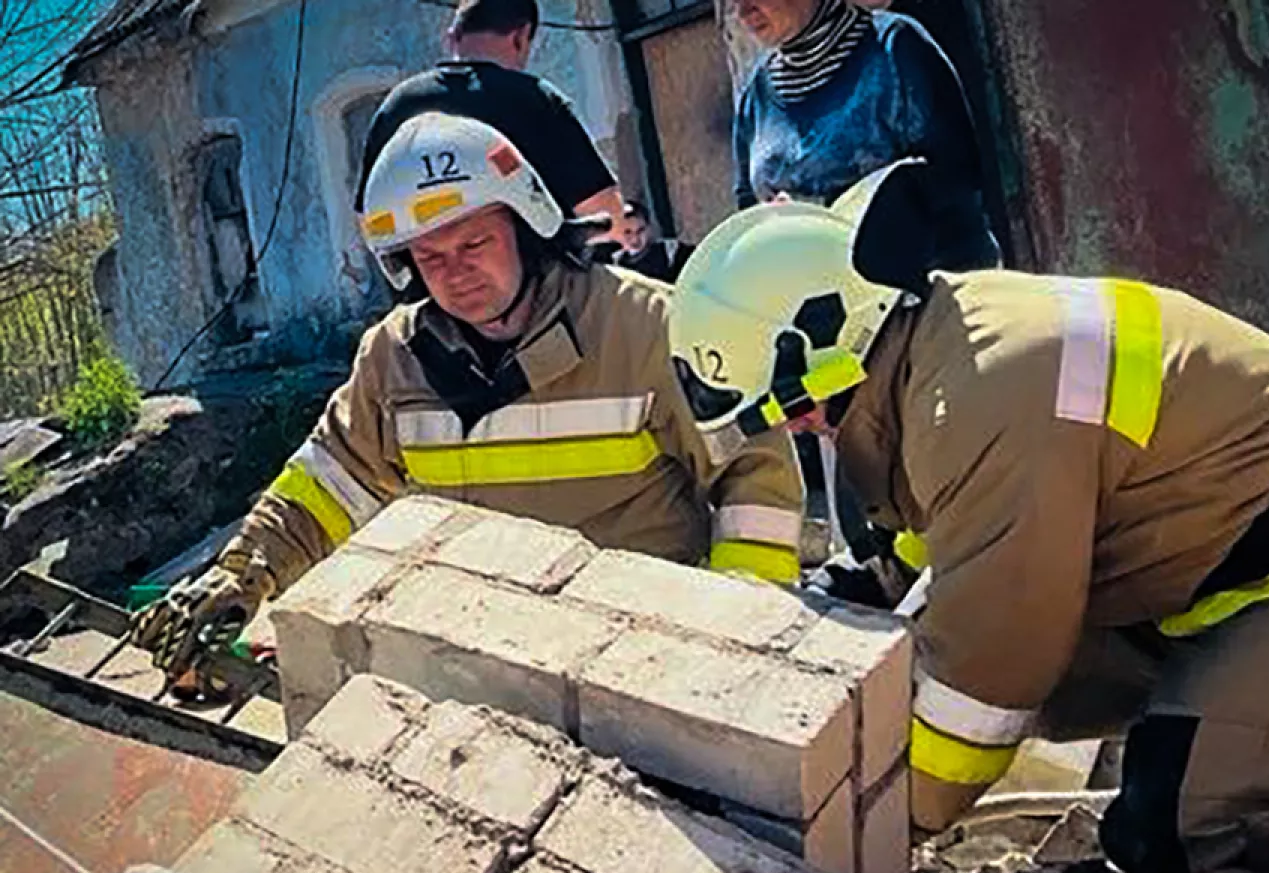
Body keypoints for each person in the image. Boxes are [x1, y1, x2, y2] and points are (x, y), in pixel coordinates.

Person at [666, 164, 1269, 873]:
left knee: (1171, 828)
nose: (803, 431)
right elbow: (952, 543)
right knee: (1021, 682)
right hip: (1230, 580)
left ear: (832, 347)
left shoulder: (988, 391)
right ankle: (1264, 730)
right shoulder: (935, 353)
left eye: (794, 409)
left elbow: (987, 674)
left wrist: (862, 837)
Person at [133, 112, 802, 681]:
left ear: (527, 225)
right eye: (431, 258)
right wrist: (240, 577)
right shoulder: (393, 361)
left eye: (474, 242)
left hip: (647, 661)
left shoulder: (650, 328)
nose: (457, 273)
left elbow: (755, 478)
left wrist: (734, 630)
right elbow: (323, 486)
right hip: (482, 664)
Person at [731, 0, 999, 272]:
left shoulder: (893, 49)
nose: (742, 11)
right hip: (829, 304)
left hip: (932, 289)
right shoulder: (756, 99)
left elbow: (957, 172)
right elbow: (748, 209)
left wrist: (818, 217)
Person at [355, 15, 627, 242]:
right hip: (540, 294)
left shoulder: (399, 104)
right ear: (521, 36)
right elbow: (604, 214)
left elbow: (368, 218)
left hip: (435, 294)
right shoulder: (534, 98)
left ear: (451, 37)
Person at [609, 199, 693, 284]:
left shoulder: (670, 251)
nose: (635, 239)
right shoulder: (614, 265)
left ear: (649, 227)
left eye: (640, 230)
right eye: (627, 232)